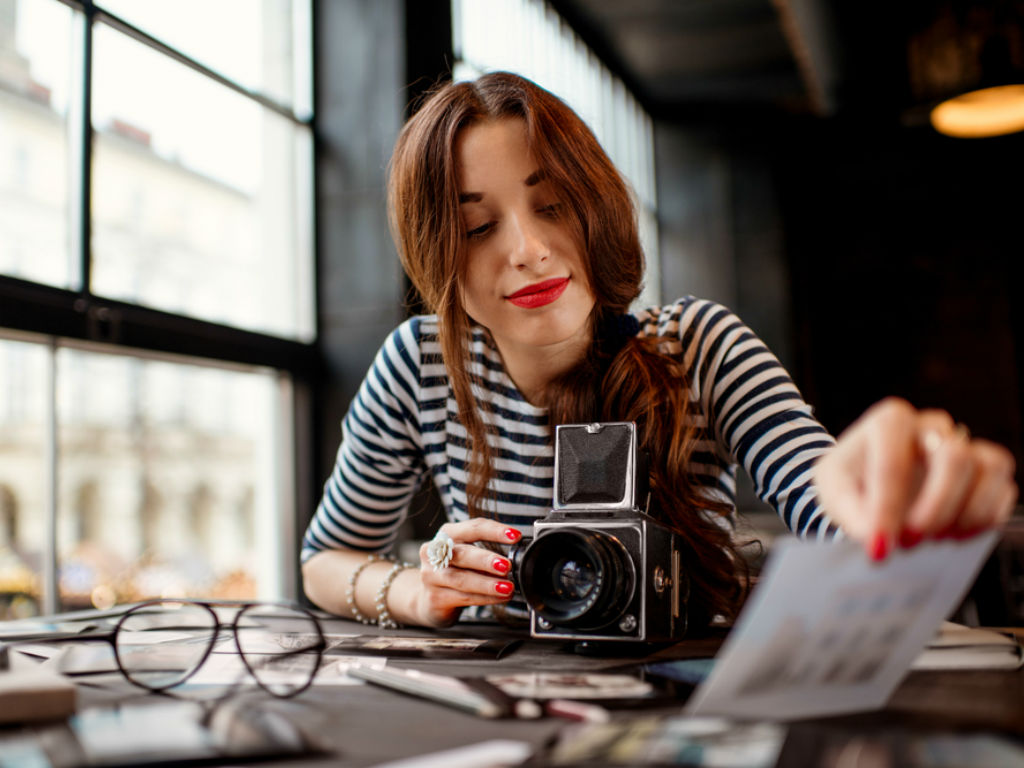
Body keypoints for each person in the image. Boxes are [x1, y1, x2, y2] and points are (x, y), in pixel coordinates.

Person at [301, 71, 1018, 631]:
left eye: (551, 207)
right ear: (436, 255)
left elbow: (824, 499)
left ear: (598, 204)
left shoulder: (696, 345)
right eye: (479, 226)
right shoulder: (422, 365)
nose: (526, 251)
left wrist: (893, 497)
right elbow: (322, 561)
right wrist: (412, 591)